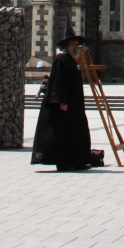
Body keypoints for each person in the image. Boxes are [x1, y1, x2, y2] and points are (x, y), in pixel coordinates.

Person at [31, 21, 92, 171]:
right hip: (64, 106)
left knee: (78, 133)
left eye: (76, 43)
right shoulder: (61, 59)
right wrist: (61, 101)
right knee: (64, 135)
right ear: (66, 45)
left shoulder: (72, 61)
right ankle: (63, 162)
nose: (75, 46)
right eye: (72, 43)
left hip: (75, 107)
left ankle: (78, 160)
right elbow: (58, 81)